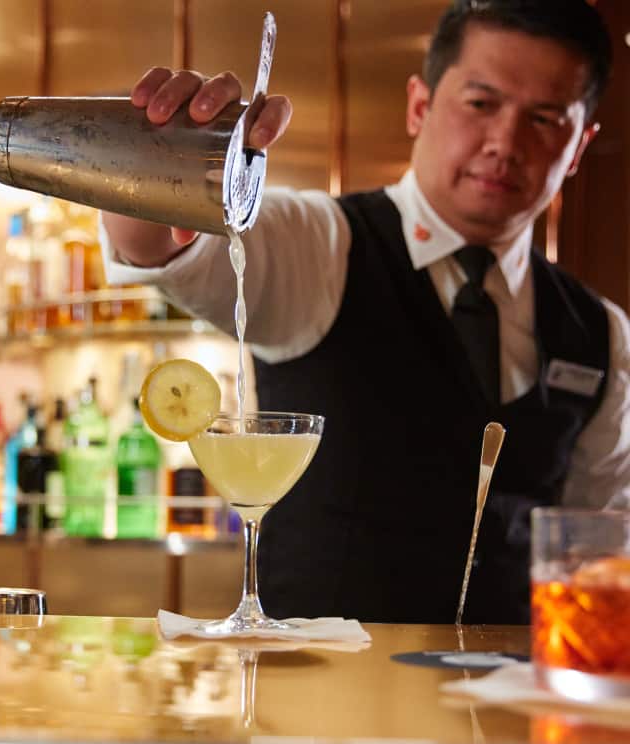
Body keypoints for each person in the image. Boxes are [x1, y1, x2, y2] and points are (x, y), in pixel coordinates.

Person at [101, 0, 628, 624]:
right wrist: (151, 165)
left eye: (544, 119)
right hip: (322, 704)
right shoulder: (324, 246)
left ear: (577, 148)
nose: (504, 143)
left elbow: (598, 542)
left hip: (509, 706)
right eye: (481, 103)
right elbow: (166, 250)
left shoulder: (602, 333)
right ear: (420, 106)